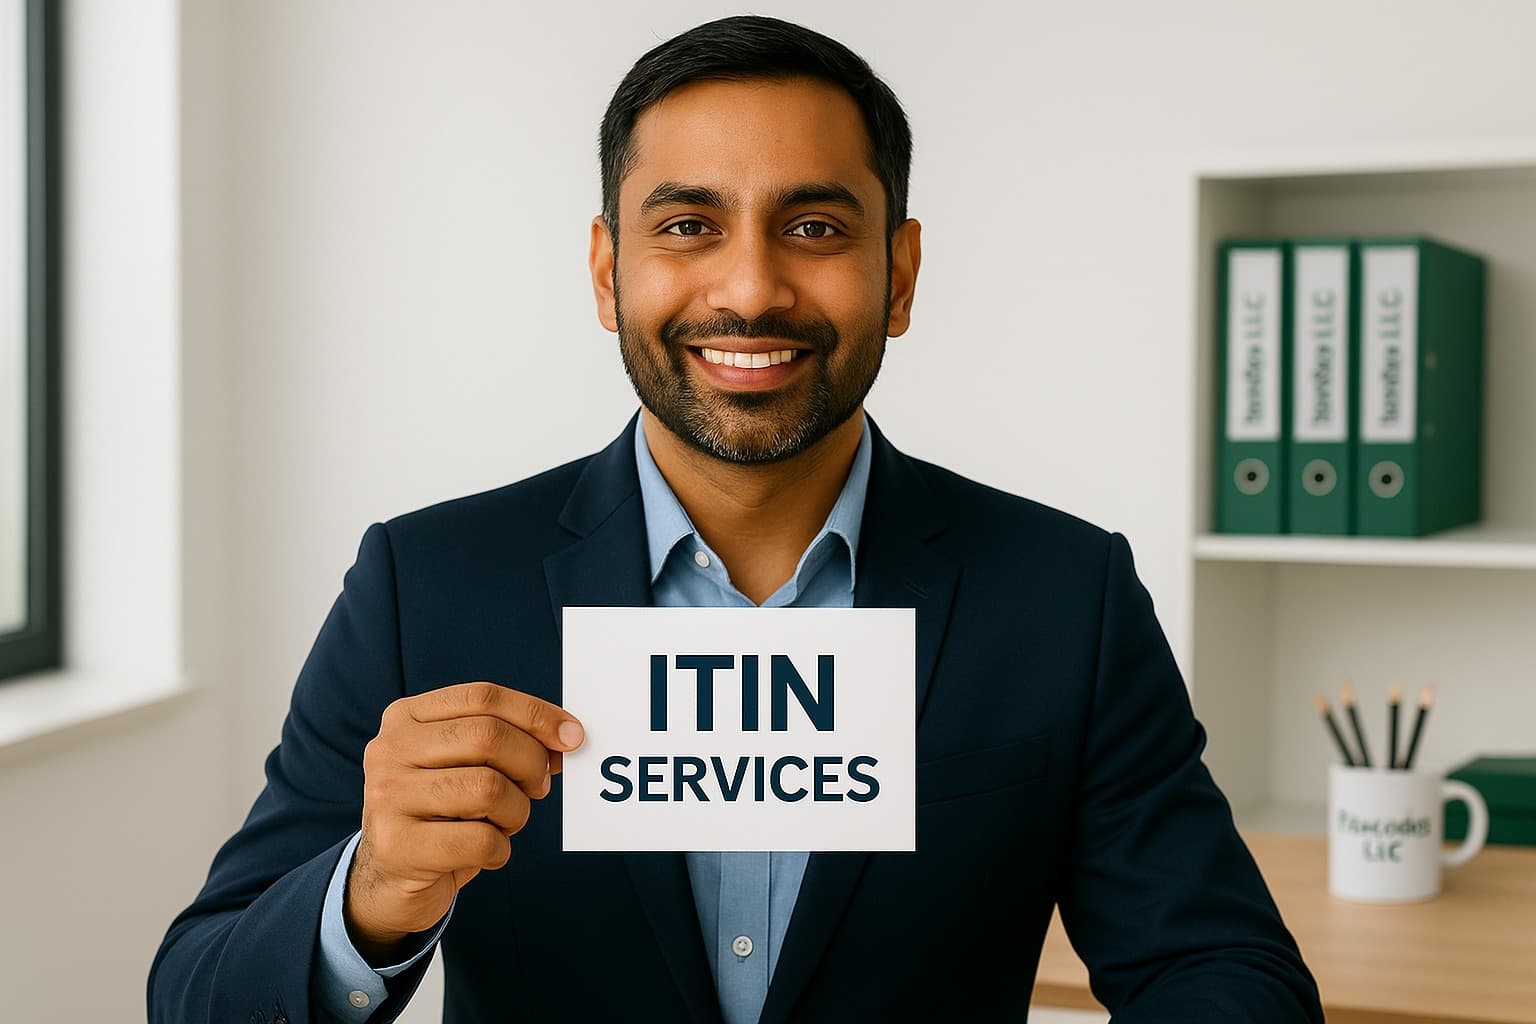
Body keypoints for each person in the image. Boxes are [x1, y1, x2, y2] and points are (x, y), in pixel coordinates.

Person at [150, 15, 1323, 1024]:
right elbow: (195, 989)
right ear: (608, 273)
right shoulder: (429, 584)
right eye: (687, 225)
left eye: (814, 227)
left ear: (899, 275)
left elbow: (1224, 969)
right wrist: (368, 896)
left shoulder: (1066, 596)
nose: (752, 287)